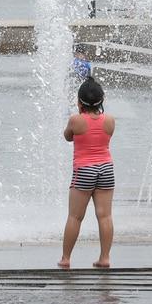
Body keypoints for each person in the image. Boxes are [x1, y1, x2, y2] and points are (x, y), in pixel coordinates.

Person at [59, 76, 117, 269]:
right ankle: (105, 258)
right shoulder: (109, 120)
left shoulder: (76, 120)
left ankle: (66, 259)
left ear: (79, 101)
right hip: (106, 169)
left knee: (75, 217)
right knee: (105, 216)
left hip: (84, 170)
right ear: (102, 101)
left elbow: (68, 136)